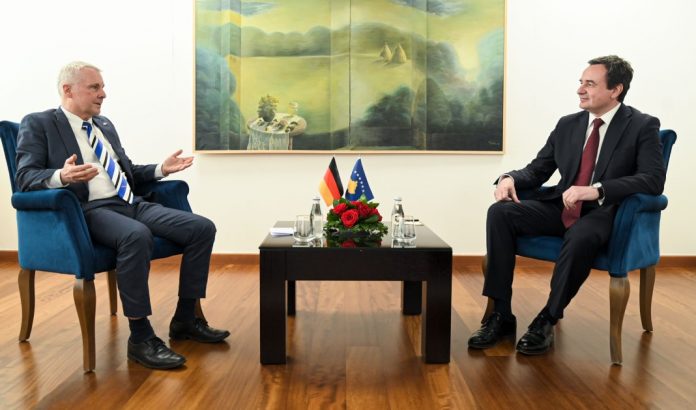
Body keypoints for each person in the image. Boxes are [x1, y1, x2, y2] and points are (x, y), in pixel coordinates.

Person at [15, 61, 230, 369]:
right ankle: (140, 337)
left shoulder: (104, 125)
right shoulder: (39, 123)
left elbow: (125, 172)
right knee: (135, 235)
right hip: (87, 210)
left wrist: (160, 169)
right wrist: (62, 176)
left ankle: (185, 319)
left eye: (102, 87)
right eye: (94, 87)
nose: (103, 94)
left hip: (129, 203)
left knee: (201, 228)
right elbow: (25, 176)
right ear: (68, 90)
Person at [468, 55, 666, 355]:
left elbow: (652, 179)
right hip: (561, 205)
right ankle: (501, 315)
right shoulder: (568, 124)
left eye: (590, 84)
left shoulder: (642, 125)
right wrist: (509, 178)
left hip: (605, 213)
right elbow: (538, 170)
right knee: (501, 212)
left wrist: (597, 190)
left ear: (615, 90)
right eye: (580, 82)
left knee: (582, 235)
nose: (580, 90)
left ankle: (547, 318)